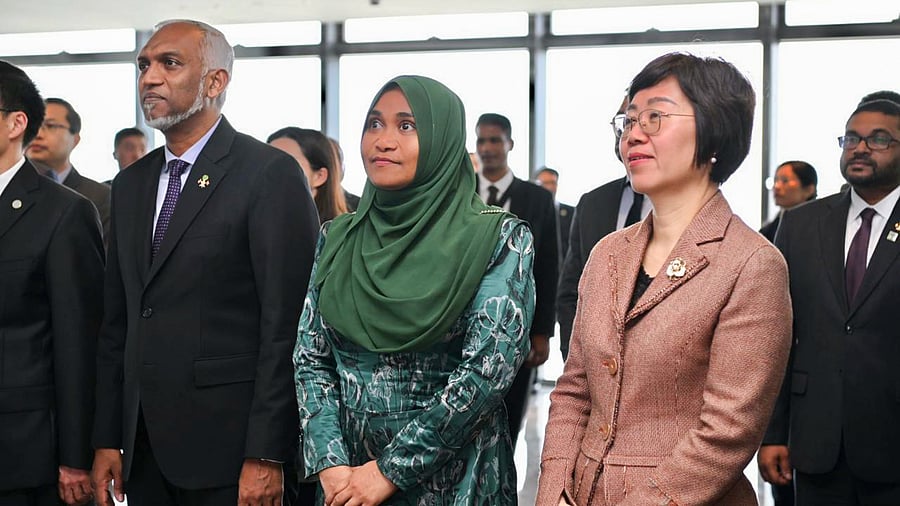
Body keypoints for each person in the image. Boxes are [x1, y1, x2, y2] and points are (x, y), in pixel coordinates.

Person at [537, 52, 792, 505]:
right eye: (628, 119)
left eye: (654, 116)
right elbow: (574, 389)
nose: (633, 133)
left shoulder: (751, 264)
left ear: (714, 131)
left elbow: (724, 436)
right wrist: (555, 489)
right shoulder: (608, 253)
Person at [91, 19, 319, 506]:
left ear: (215, 82)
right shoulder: (130, 186)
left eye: (169, 64)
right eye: (144, 65)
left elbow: (288, 328)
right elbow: (118, 323)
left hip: (231, 453)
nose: (149, 77)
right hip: (145, 450)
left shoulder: (268, 175)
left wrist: (268, 452)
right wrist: (109, 437)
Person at [294, 75, 535, 505]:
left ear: (442, 140)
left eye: (406, 126)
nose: (383, 141)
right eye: (374, 124)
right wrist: (329, 463)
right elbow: (311, 358)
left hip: (456, 483)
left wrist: (389, 471)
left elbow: (486, 372)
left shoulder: (497, 237)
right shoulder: (338, 238)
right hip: (345, 486)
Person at [759, 93, 900, 505]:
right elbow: (779, 335)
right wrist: (772, 433)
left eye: (878, 139)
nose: (859, 147)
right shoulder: (802, 225)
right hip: (814, 441)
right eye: (851, 138)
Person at [0, 61, 105, 505]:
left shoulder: (64, 212)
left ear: (15, 123)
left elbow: (78, 342)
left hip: (23, 448)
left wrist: (75, 456)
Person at [475, 112, 557, 445]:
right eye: (481, 140)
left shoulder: (536, 199)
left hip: (517, 331)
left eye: (495, 140)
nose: (488, 148)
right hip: (463, 327)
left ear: (510, 144)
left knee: (509, 425)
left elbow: (549, 264)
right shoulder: (460, 193)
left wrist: (542, 331)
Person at [556, 96, 652, 360]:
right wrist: (574, 359)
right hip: (594, 368)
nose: (631, 134)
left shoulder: (684, 210)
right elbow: (570, 292)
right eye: (625, 122)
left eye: (646, 121)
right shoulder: (592, 203)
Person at [26, 97, 111, 239]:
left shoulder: (99, 196)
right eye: (33, 126)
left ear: (75, 139)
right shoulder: (10, 188)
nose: (38, 134)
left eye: (51, 126)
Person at [268, 127, 348, 223]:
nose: (272, 170)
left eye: (286, 163)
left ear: (319, 176)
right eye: (267, 162)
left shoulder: (340, 233)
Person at [759, 160, 817, 242]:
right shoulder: (768, 230)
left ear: (809, 189)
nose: (776, 186)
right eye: (775, 180)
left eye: (785, 181)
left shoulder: (819, 226)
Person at [535, 166, 576, 262]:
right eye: (545, 183)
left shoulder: (572, 212)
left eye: (553, 183)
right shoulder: (531, 213)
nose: (549, 187)